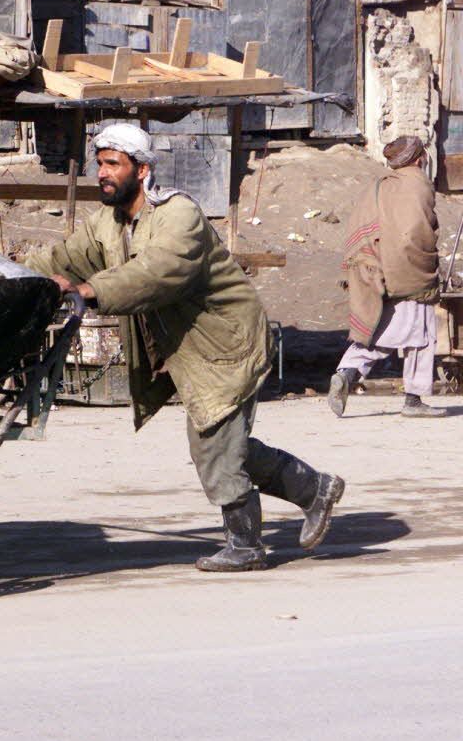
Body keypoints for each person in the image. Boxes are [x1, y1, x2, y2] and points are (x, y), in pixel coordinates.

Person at [25, 123, 345, 572]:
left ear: (142, 170)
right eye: (100, 163)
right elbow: (63, 258)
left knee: (214, 443)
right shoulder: (109, 223)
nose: (103, 173)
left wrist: (90, 290)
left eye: (113, 164)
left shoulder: (178, 215)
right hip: (189, 350)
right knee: (227, 445)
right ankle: (315, 489)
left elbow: (160, 270)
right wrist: (14, 274)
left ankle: (247, 545)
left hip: (226, 342)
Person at [329, 136, 444, 418]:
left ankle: (346, 372)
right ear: (418, 159)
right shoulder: (417, 183)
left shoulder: (380, 185)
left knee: (378, 331)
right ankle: (413, 401)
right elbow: (418, 232)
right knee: (421, 336)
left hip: (376, 271)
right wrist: (425, 263)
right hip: (409, 270)